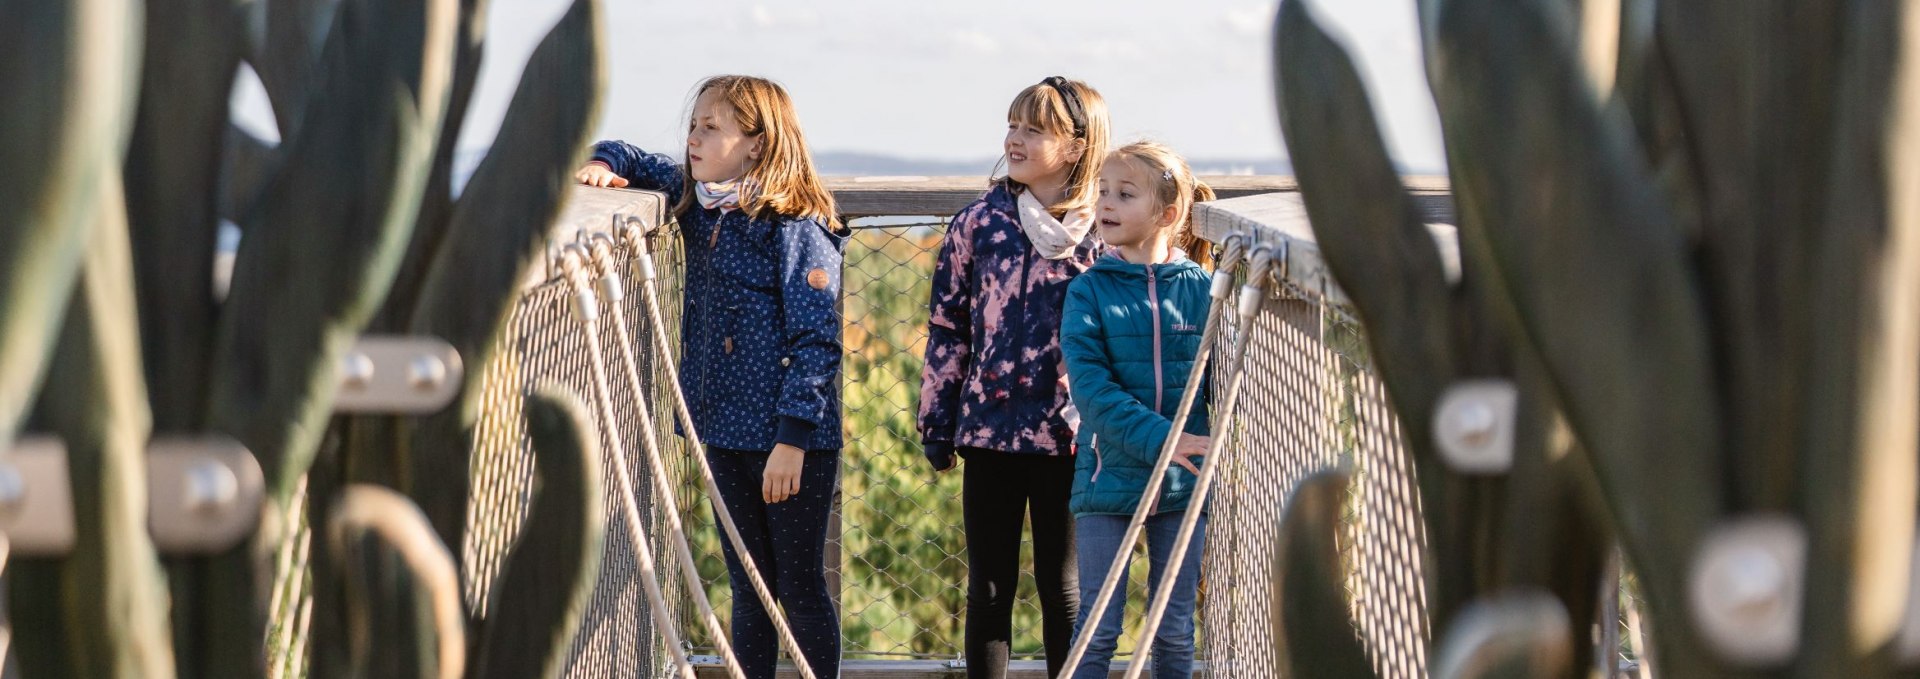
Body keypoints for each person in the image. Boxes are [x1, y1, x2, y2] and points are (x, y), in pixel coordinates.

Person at [578, 75, 844, 679]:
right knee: (749, 588)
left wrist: (793, 439)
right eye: (693, 124)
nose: (693, 138)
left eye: (711, 128)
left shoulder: (794, 225)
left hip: (788, 442)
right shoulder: (698, 199)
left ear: (756, 144)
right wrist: (603, 162)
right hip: (719, 433)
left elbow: (816, 340)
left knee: (798, 587)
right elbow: (635, 155)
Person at [916, 76, 1111, 679]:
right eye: (1013, 125)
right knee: (990, 591)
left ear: (1076, 147)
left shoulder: (1107, 232)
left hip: (1072, 440)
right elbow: (948, 326)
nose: (1015, 139)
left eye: (1034, 128)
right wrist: (936, 419)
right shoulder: (979, 223)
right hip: (989, 433)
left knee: (1064, 589)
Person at [1061, 141, 1216, 679]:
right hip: (1108, 480)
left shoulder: (1205, 292)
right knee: (1099, 627)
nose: (1105, 203)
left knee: (1173, 631)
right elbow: (1093, 393)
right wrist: (1163, 439)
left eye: (1125, 194)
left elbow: (1222, 377)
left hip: (1183, 483)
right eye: (1103, 191)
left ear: (1167, 214)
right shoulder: (1087, 292)